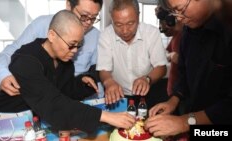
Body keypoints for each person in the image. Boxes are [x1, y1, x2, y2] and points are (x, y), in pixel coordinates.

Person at [0, 10, 135, 133]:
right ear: (52, 35)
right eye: (71, 45)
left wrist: (81, 84)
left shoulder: (64, 60)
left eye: (78, 46)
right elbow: (54, 104)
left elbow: (64, 91)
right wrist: (105, 116)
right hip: (5, 127)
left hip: (36, 126)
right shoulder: (26, 61)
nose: (74, 51)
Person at [145, 0, 232, 137]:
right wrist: (173, 101)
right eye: (174, 11)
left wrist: (183, 122)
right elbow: (184, 74)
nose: (178, 18)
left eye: (180, 9)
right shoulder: (189, 30)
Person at [0, 0, 103, 96]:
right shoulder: (42, 24)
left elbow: (95, 72)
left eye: (93, 18)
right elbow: (10, 53)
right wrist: (2, 74)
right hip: (40, 94)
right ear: (68, 5)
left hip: (73, 95)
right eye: (84, 15)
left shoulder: (96, 36)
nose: (88, 23)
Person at [96, 0, 168, 108]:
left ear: (138, 16)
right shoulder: (106, 35)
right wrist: (108, 81)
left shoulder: (151, 33)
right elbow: (104, 69)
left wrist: (147, 79)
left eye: (130, 23)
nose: (125, 31)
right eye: (118, 24)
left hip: (149, 93)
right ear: (112, 19)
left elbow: (161, 67)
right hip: (119, 96)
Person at [155, 6, 183, 96]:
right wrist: (170, 55)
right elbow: (166, 55)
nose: (161, 28)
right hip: (173, 91)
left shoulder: (185, 36)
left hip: (181, 93)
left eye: (163, 23)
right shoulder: (175, 36)